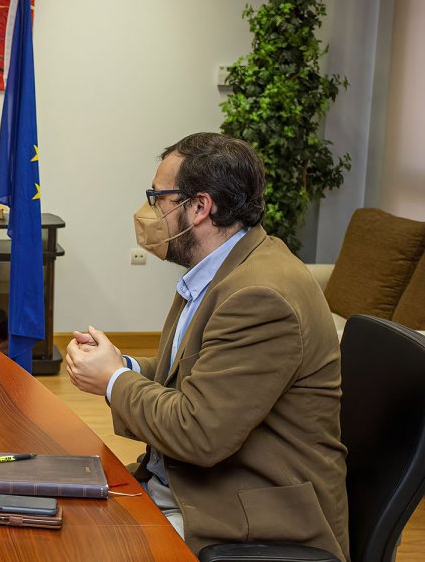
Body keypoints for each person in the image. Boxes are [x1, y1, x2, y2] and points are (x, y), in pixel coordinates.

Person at [64, 132, 348, 559]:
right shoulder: (220, 270)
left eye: (157, 196)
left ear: (199, 207)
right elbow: (195, 375)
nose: (149, 210)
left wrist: (113, 380)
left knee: (81, 546)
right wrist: (122, 365)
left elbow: (198, 433)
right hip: (189, 487)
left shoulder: (261, 295)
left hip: (247, 516)